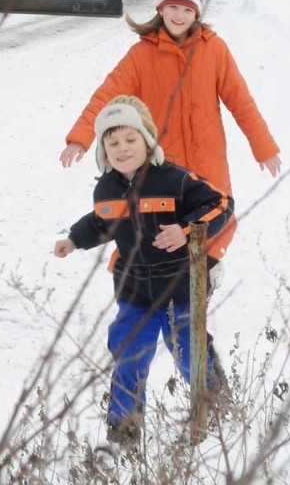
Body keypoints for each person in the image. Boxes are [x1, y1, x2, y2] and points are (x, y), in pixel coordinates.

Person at [54, 95, 234, 445]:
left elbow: (221, 204)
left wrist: (185, 231)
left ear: (147, 140)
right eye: (112, 142)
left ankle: (216, 405)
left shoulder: (174, 179)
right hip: (134, 290)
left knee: (188, 350)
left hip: (179, 287)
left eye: (130, 139)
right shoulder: (106, 187)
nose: (122, 149)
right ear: (103, 150)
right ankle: (125, 428)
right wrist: (74, 239)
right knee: (128, 354)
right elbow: (100, 221)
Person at [59, 0, 280, 257]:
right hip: (163, 164)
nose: (179, 15)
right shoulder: (141, 55)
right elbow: (106, 97)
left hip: (207, 161)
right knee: (157, 231)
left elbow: (241, 101)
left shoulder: (214, 50)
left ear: (196, 14)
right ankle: (148, 289)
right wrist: (80, 138)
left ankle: (206, 278)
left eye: (188, 9)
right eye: (173, 7)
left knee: (212, 221)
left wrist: (263, 147)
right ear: (160, 8)